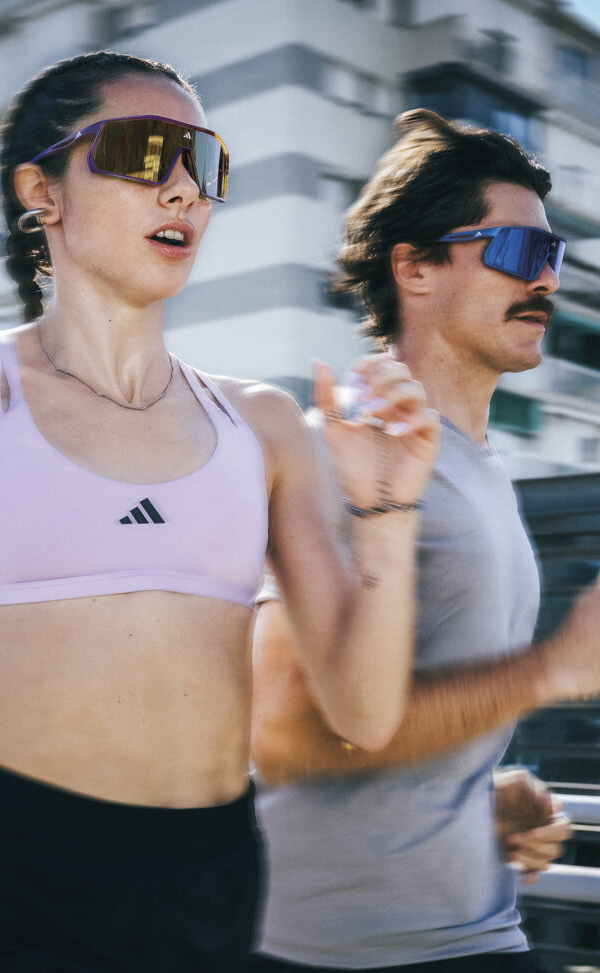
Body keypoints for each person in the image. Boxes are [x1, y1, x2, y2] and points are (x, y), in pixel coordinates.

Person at [0, 53, 439, 972]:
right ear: (42, 187)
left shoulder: (264, 423)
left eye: (203, 164)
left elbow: (362, 709)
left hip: (215, 883)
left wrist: (388, 505)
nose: (183, 191)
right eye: (141, 153)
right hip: (25, 888)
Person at [250, 109, 600, 973]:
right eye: (519, 253)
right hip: (346, 955)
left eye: (551, 257)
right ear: (413, 265)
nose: (545, 281)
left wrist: (476, 791)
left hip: (468, 927)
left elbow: (393, 698)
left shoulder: (480, 463)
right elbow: (284, 733)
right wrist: (547, 672)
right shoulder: (344, 449)